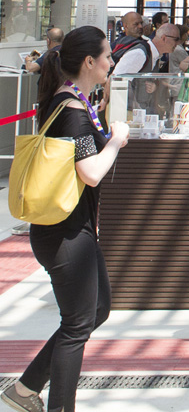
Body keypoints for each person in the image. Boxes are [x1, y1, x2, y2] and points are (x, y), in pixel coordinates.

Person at [2, 27, 130, 412]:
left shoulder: (71, 100)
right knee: (77, 324)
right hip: (65, 233)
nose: (111, 62)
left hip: (71, 228)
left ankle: (25, 389)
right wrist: (115, 140)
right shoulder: (72, 110)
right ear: (89, 62)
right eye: (107, 56)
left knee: (97, 310)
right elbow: (90, 172)